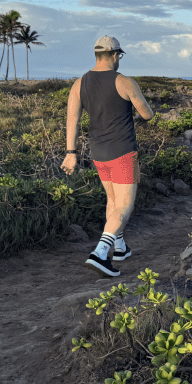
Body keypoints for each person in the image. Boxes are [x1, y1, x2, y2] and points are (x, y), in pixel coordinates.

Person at [61, 36, 154, 277]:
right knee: (124, 206)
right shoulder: (124, 82)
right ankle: (100, 253)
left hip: (98, 154)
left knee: (112, 202)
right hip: (122, 152)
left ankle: (119, 247)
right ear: (115, 55)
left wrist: (71, 153)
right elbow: (147, 114)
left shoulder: (79, 84)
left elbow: (72, 120)